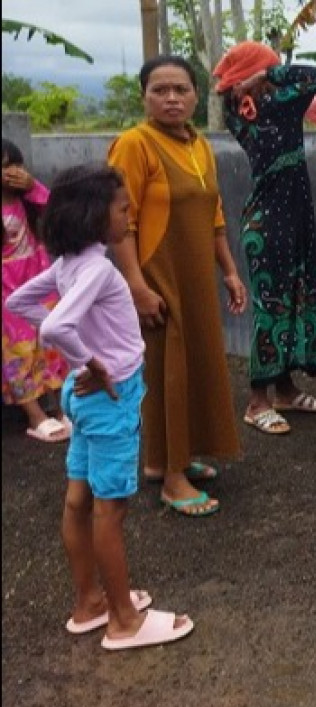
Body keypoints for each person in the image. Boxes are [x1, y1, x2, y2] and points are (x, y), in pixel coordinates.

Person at [6, 163, 195, 651]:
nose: (128, 217)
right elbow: (52, 328)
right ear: (95, 214)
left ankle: (89, 603)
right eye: (122, 209)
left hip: (83, 396)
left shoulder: (70, 264)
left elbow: (21, 304)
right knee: (111, 510)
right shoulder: (96, 269)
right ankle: (124, 621)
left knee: (79, 500)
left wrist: (80, 359)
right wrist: (91, 361)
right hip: (110, 398)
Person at [108, 55, 247, 517]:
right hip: (157, 274)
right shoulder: (135, 144)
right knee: (168, 369)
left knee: (194, 363)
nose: (171, 98)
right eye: (160, 90)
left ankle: (168, 459)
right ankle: (171, 479)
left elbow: (215, 216)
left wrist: (228, 270)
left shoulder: (200, 145)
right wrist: (135, 284)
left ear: (195, 95)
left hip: (196, 277)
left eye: (181, 90)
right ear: (144, 96)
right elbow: (120, 223)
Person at [213, 42, 316, 434]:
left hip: (294, 219)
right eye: (269, 68)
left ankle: (283, 390)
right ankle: (256, 401)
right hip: (270, 225)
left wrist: (261, 78)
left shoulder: (264, 106)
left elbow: (309, 78)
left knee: (292, 303)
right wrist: (263, 76)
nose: (276, 73)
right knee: (272, 309)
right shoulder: (265, 107)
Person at [3, 138, 70, 442]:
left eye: (14, 165)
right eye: (3, 167)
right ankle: (35, 415)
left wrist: (32, 186)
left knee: (54, 343)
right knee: (16, 352)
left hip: (40, 283)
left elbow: (58, 211)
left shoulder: (27, 200)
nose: (10, 173)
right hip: (6, 290)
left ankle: (64, 407)